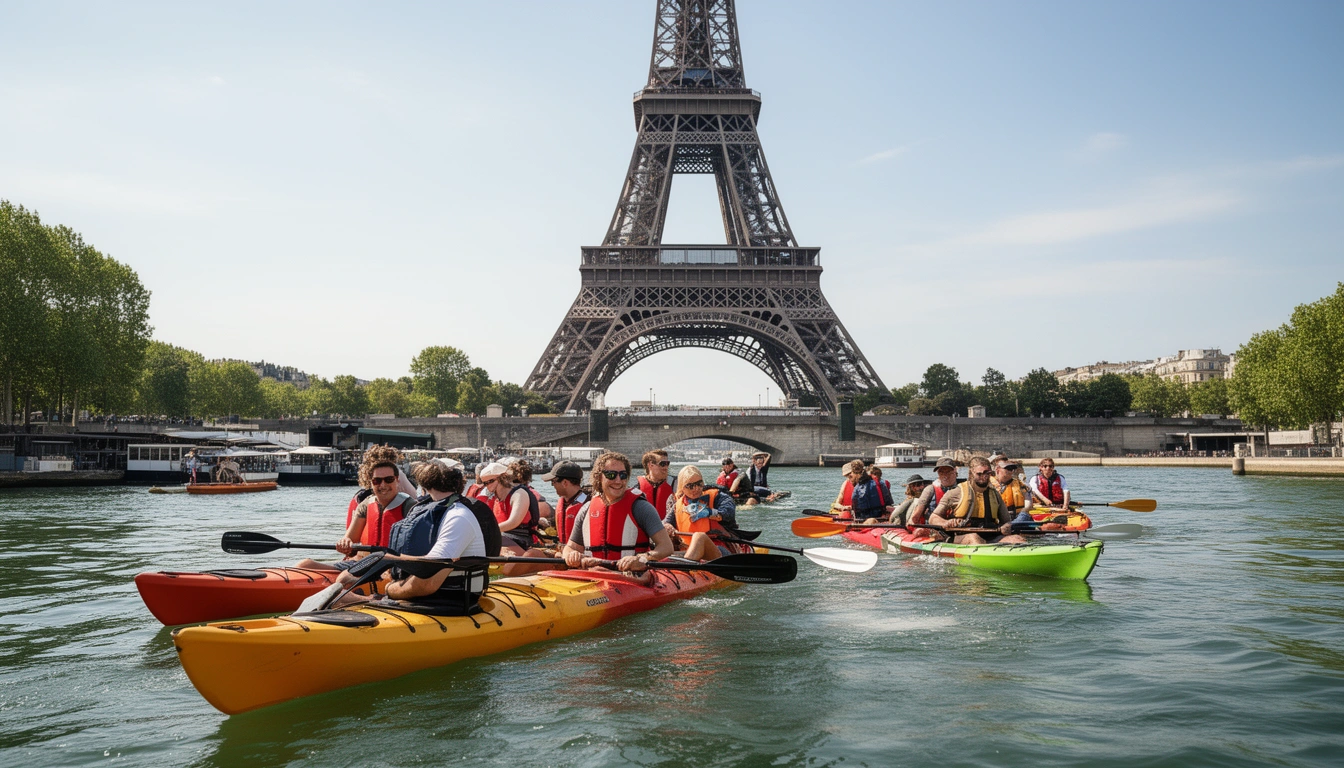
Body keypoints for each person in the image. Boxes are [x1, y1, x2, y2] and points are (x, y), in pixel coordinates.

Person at [332, 461, 499, 611]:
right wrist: (373, 565)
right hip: (428, 599)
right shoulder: (431, 512)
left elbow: (427, 583)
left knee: (340, 599)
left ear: (424, 486)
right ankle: (367, 600)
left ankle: (369, 601)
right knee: (339, 597)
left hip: (449, 602)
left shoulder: (458, 517)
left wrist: (390, 590)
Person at [562, 451, 674, 581]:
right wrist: (571, 555)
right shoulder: (586, 509)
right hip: (593, 574)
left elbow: (666, 547)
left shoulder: (641, 508)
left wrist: (642, 558)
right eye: (611, 475)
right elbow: (570, 547)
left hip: (631, 577)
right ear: (599, 477)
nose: (618, 480)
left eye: (623, 475)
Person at [297, 459, 417, 571]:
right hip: (361, 563)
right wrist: (344, 543)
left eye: (389, 479)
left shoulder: (410, 507)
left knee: (345, 578)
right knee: (305, 564)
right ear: (371, 482)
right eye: (377, 481)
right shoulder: (366, 504)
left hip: (391, 566)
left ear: (397, 480)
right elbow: (350, 538)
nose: (383, 485)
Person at [929, 456, 1027, 545]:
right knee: (974, 538)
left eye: (986, 473)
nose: (984, 477)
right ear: (971, 473)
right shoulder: (956, 492)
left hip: (989, 536)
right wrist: (945, 523)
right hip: (961, 537)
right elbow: (933, 518)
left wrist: (1006, 527)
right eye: (979, 474)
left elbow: (1007, 521)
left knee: (1018, 539)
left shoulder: (995, 494)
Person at [663, 465, 740, 561]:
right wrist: (667, 526)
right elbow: (665, 522)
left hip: (720, 550)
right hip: (688, 550)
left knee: (699, 537)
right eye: (690, 486)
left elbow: (728, 512)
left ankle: (687, 565)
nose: (696, 489)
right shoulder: (677, 505)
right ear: (682, 488)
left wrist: (710, 512)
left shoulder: (718, 496)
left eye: (699, 484)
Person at [479, 461, 540, 555]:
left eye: (490, 482)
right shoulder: (495, 498)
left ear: (501, 478)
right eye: (485, 483)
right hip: (502, 536)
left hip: (521, 538)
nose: (487, 486)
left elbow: (513, 522)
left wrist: (488, 530)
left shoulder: (519, 494)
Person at [542, 460, 589, 545]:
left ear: (564, 483)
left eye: (553, 482)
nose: (553, 486)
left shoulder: (588, 505)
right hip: (563, 549)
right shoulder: (564, 503)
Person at [907, 457, 959, 527]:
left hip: (957, 527)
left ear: (955, 471)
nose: (944, 475)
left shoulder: (964, 488)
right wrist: (912, 522)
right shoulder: (929, 490)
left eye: (948, 471)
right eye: (941, 472)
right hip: (934, 528)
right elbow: (916, 515)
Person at [988, 454, 1032, 522]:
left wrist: (1022, 514)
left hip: (1017, 517)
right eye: (1007, 468)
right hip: (997, 518)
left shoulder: (1020, 484)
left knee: (1024, 517)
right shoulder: (988, 485)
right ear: (997, 469)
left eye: (1012, 468)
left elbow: (1028, 504)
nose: (1011, 471)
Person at [637, 449, 676, 518]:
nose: (666, 467)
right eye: (662, 464)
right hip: (646, 527)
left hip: (667, 526)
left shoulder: (676, 484)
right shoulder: (637, 488)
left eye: (667, 464)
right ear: (650, 465)